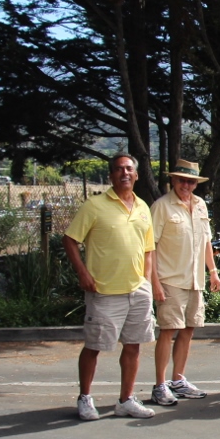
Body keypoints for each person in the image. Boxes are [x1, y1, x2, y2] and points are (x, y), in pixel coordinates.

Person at [64, 153, 158, 421]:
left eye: (129, 169)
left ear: (136, 175)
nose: (124, 173)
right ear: (111, 176)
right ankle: (85, 398)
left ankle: (126, 400)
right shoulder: (94, 206)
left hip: (137, 291)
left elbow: (148, 248)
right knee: (94, 345)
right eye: (118, 170)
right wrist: (82, 272)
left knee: (133, 345)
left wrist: (146, 281)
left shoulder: (143, 208)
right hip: (104, 291)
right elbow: (70, 240)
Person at [149, 159, 220, 407]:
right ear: (173, 180)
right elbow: (151, 247)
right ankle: (160, 385)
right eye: (182, 180)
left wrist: (213, 271)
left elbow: (206, 242)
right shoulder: (161, 207)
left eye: (191, 181)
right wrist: (155, 282)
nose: (186, 185)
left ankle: (178, 380)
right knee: (168, 330)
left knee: (188, 329)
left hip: (194, 280)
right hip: (170, 278)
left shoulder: (200, 205)